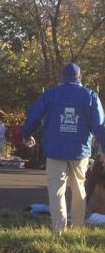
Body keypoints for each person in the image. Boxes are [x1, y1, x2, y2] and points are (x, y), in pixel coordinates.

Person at [21, 63, 105, 233]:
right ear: (80, 77)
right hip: (79, 151)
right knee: (78, 186)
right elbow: (100, 125)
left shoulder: (50, 94)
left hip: (55, 149)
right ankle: (77, 226)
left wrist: (26, 134)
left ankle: (59, 229)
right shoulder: (90, 95)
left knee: (56, 189)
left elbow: (34, 115)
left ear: (62, 77)